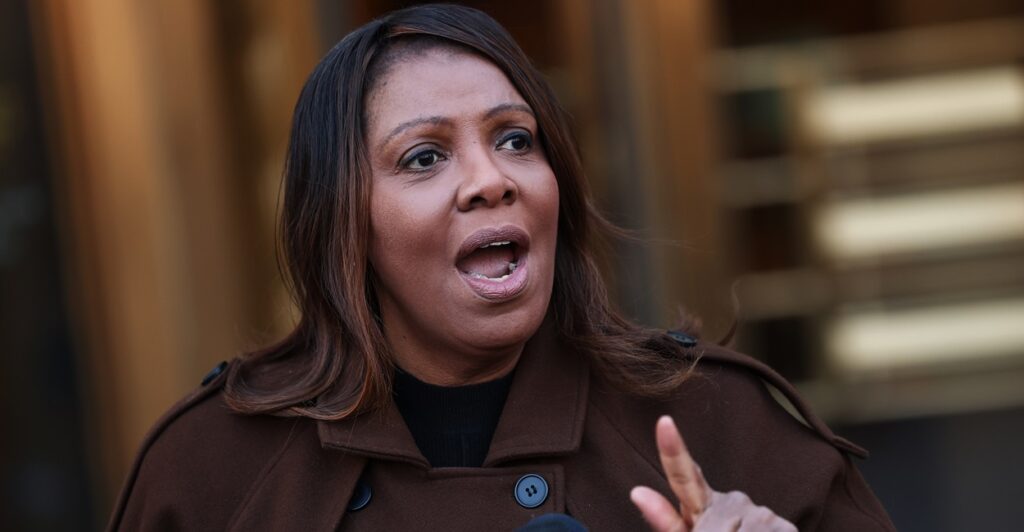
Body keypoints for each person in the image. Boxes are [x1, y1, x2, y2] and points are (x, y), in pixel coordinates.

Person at [108, 4, 895, 531]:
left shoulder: (718, 424)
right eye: (424, 156)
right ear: (345, 223)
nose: (492, 178)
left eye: (516, 138)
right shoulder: (214, 470)